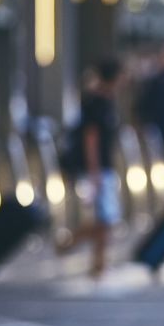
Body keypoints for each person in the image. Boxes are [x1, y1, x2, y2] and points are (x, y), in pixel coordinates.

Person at [57, 58, 125, 280]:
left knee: (104, 220)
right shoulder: (96, 103)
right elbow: (91, 138)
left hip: (103, 167)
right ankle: (75, 247)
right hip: (97, 169)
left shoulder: (107, 102)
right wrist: (94, 171)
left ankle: (97, 263)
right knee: (105, 219)